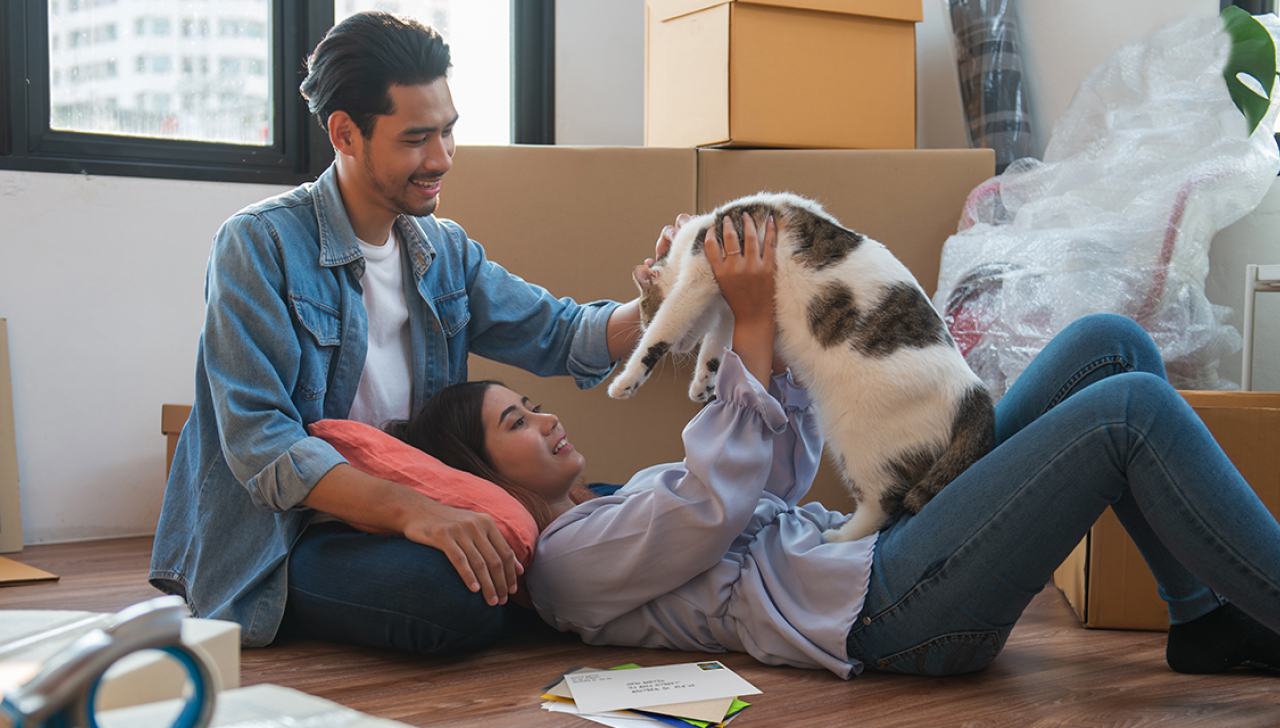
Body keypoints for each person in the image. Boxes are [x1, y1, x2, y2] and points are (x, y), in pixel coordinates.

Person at [396, 214, 1280, 677]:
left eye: (530, 405)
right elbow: (715, 510)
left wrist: (769, 324)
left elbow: (779, 467)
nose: (548, 418)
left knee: (1106, 345)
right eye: (516, 423)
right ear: (485, 477)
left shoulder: (616, 499)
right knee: (1124, 411)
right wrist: (743, 320)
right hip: (888, 611)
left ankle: (1201, 621)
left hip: (881, 543)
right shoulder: (563, 568)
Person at [149, 11, 673, 654]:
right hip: (300, 531)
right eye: (416, 138)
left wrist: (662, 304)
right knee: (453, 600)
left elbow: (563, 334)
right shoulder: (258, 245)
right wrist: (416, 513)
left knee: (646, 503)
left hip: (432, 499)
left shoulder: (442, 249)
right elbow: (264, 446)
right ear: (346, 133)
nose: (442, 159)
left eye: (449, 133)